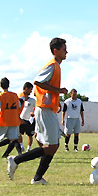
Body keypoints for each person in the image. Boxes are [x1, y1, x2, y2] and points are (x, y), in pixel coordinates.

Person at [7, 37, 68, 184]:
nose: (67, 51)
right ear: (56, 50)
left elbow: (42, 88)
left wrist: (55, 100)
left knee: (51, 146)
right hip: (45, 111)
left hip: (47, 109)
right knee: (52, 146)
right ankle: (16, 160)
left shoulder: (56, 66)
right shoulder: (52, 64)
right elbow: (37, 82)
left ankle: (37, 178)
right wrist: (59, 91)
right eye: (64, 49)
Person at [0, 77, 22, 162]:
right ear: (9, 85)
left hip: (3, 120)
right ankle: (21, 156)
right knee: (14, 139)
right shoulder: (15, 95)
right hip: (13, 120)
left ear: (0, 86)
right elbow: (19, 106)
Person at [18, 82, 36, 152]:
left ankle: (28, 148)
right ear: (26, 89)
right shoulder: (19, 98)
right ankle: (21, 146)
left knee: (30, 135)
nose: (31, 91)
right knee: (19, 134)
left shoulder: (33, 100)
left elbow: (36, 108)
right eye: (30, 89)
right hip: (20, 119)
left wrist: (33, 114)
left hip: (29, 120)